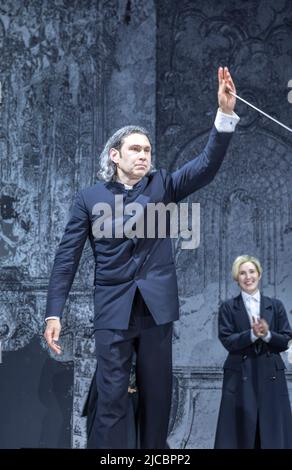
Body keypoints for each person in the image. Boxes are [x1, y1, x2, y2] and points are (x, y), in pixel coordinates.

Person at [44, 67, 239, 449]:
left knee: (157, 398)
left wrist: (224, 117)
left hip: (156, 310)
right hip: (113, 309)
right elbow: (66, 258)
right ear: (115, 155)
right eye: (136, 149)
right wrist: (54, 312)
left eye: (148, 150)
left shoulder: (163, 184)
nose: (144, 155)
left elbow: (205, 167)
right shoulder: (90, 198)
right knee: (111, 398)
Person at [214, 255, 292, 449]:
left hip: (270, 374)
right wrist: (251, 334)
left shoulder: (275, 306)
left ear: (259, 274)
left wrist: (266, 335)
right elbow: (227, 339)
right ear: (236, 278)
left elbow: (285, 340)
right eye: (242, 273)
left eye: (251, 272)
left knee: (272, 432)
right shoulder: (227, 308)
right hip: (240, 374)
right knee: (239, 433)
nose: (247, 277)